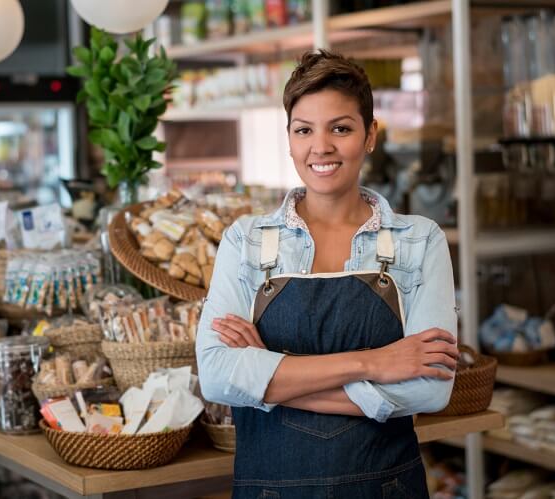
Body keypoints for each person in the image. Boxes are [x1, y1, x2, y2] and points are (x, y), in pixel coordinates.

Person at [196, 50, 459, 499]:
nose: (321, 146)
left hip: (386, 487)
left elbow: (430, 389)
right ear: (290, 139)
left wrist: (269, 382)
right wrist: (373, 362)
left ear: (370, 135)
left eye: (340, 128)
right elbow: (219, 376)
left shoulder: (420, 240)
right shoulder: (247, 241)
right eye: (304, 130)